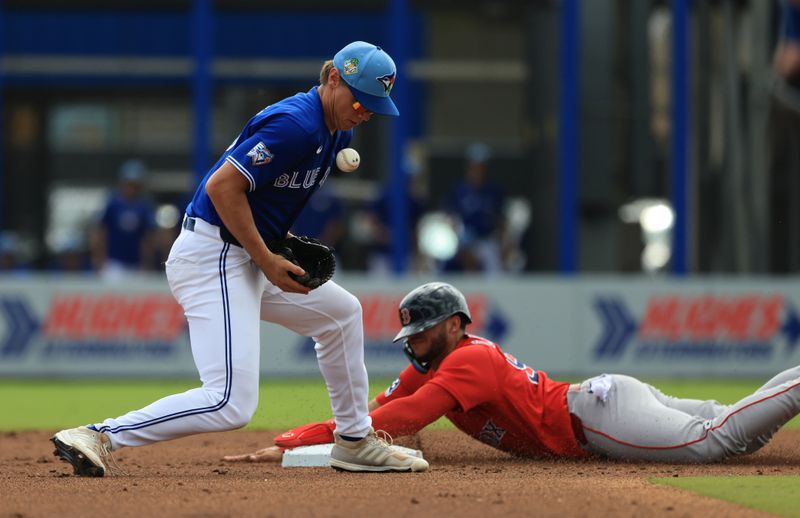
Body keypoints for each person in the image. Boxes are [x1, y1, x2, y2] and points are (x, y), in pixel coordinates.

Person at [51, 41, 428, 476]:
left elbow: (263, 198)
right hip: (213, 255)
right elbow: (221, 187)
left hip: (244, 255)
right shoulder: (297, 125)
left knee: (341, 314)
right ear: (334, 78)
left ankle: (355, 440)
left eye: (374, 107)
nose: (365, 112)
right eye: (361, 100)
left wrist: (280, 243)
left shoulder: (335, 130)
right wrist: (268, 259)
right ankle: (99, 434)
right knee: (230, 401)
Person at [225, 282, 800, 464]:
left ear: (453, 325)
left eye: (421, 332)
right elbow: (381, 419)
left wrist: (294, 440)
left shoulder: (469, 359)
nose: (412, 344)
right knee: (726, 423)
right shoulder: (436, 364)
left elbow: (402, 417)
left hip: (594, 418)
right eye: (408, 335)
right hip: (600, 402)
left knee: (718, 442)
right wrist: (297, 444)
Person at [443, 144, 506, 273]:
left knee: (496, 272)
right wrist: (460, 242)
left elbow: (501, 220)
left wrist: (504, 245)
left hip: (487, 240)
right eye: (475, 166)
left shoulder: (494, 190)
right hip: (464, 239)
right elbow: (451, 219)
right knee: (449, 269)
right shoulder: (459, 190)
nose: (478, 170)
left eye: (481, 166)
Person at [90, 159, 156, 279]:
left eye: (135, 185)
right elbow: (100, 232)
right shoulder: (112, 204)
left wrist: (147, 263)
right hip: (113, 263)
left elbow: (148, 238)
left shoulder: (144, 207)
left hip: (136, 265)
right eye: (129, 184)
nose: (132, 189)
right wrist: (98, 259)